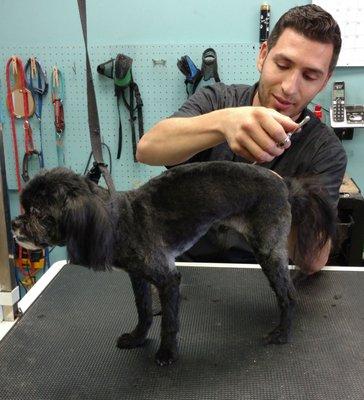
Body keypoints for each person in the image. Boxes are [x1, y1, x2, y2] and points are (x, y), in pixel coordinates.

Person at [136, 4, 347, 275]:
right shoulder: (216, 100)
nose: (289, 87)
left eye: (310, 76)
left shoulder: (325, 151)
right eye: (282, 65)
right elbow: (147, 149)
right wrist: (222, 123)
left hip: (259, 276)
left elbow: (312, 261)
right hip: (184, 264)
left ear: (325, 81)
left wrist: (278, 191)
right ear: (263, 55)